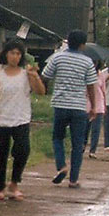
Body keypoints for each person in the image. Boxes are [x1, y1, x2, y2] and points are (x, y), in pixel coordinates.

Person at [0, 39, 45, 201]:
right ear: (6, 54)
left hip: (21, 118)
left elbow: (40, 92)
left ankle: (14, 183)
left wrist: (35, 77)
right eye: (12, 53)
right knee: (0, 154)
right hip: (0, 119)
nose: (15, 57)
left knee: (23, 150)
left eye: (18, 54)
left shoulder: (26, 74)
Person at [41, 29, 98, 189]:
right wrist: (93, 106)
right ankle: (73, 180)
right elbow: (91, 86)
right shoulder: (87, 62)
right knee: (77, 143)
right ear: (82, 45)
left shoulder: (57, 58)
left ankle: (61, 166)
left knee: (58, 138)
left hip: (60, 104)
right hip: (79, 106)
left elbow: (46, 76)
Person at [85, 60, 106, 158]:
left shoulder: (101, 75)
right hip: (86, 104)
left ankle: (92, 151)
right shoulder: (84, 73)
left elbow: (103, 90)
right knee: (85, 129)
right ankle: (81, 147)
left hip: (99, 105)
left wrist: (105, 105)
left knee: (96, 129)